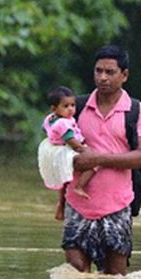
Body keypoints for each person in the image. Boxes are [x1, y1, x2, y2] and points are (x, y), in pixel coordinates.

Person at [62, 45, 141, 275]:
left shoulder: (137, 111)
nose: (102, 77)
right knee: (75, 274)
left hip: (117, 207)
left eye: (110, 72)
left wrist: (97, 158)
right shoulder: (76, 108)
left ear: (124, 75)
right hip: (77, 204)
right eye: (98, 71)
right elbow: (55, 147)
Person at [38, 86, 96, 221]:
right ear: (54, 108)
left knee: (65, 179)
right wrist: (83, 149)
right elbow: (70, 140)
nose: (71, 109)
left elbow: (44, 128)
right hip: (66, 149)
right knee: (95, 163)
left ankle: (61, 205)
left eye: (73, 105)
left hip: (52, 149)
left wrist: (53, 136)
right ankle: (79, 187)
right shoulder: (64, 124)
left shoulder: (51, 118)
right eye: (66, 106)